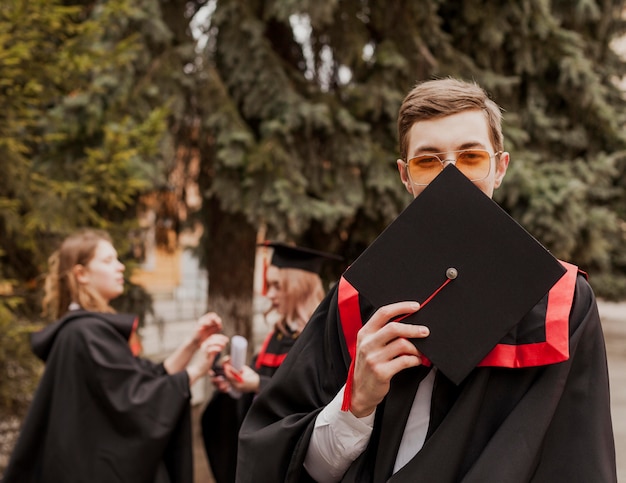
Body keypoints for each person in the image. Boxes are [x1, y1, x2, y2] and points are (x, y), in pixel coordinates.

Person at [236, 78, 617, 482]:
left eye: (470, 157)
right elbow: (288, 467)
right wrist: (355, 404)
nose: (449, 177)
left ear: (500, 167)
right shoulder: (357, 300)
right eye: (427, 161)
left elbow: (579, 465)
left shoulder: (562, 305)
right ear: (405, 175)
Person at [3, 228, 229, 483]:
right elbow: (133, 402)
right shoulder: (85, 334)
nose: (120, 267)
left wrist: (192, 344)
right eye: (108, 261)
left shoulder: (87, 329)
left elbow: (142, 379)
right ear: (81, 274)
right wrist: (196, 370)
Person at [201, 241, 341, 483]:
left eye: (278, 286)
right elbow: (254, 390)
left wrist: (257, 384)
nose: (269, 294)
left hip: (295, 462)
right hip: (264, 452)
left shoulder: (321, 339)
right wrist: (234, 385)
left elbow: (317, 403)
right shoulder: (276, 336)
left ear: (299, 288)